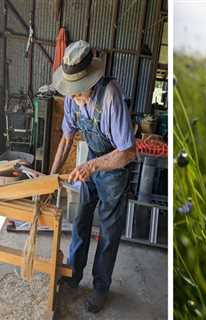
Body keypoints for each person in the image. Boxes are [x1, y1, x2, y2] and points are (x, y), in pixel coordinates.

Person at [51, 40, 136, 313]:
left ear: (91, 79)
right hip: (93, 162)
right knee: (81, 219)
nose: (74, 95)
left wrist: (94, 166)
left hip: (114, 166)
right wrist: (51, 178)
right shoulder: (71, 101)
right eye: (71, 91)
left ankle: (100, 287)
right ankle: (74, 275)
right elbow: (66, 140)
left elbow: (128, 152)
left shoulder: (110, 96)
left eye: (78, 90)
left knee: (108, 232)